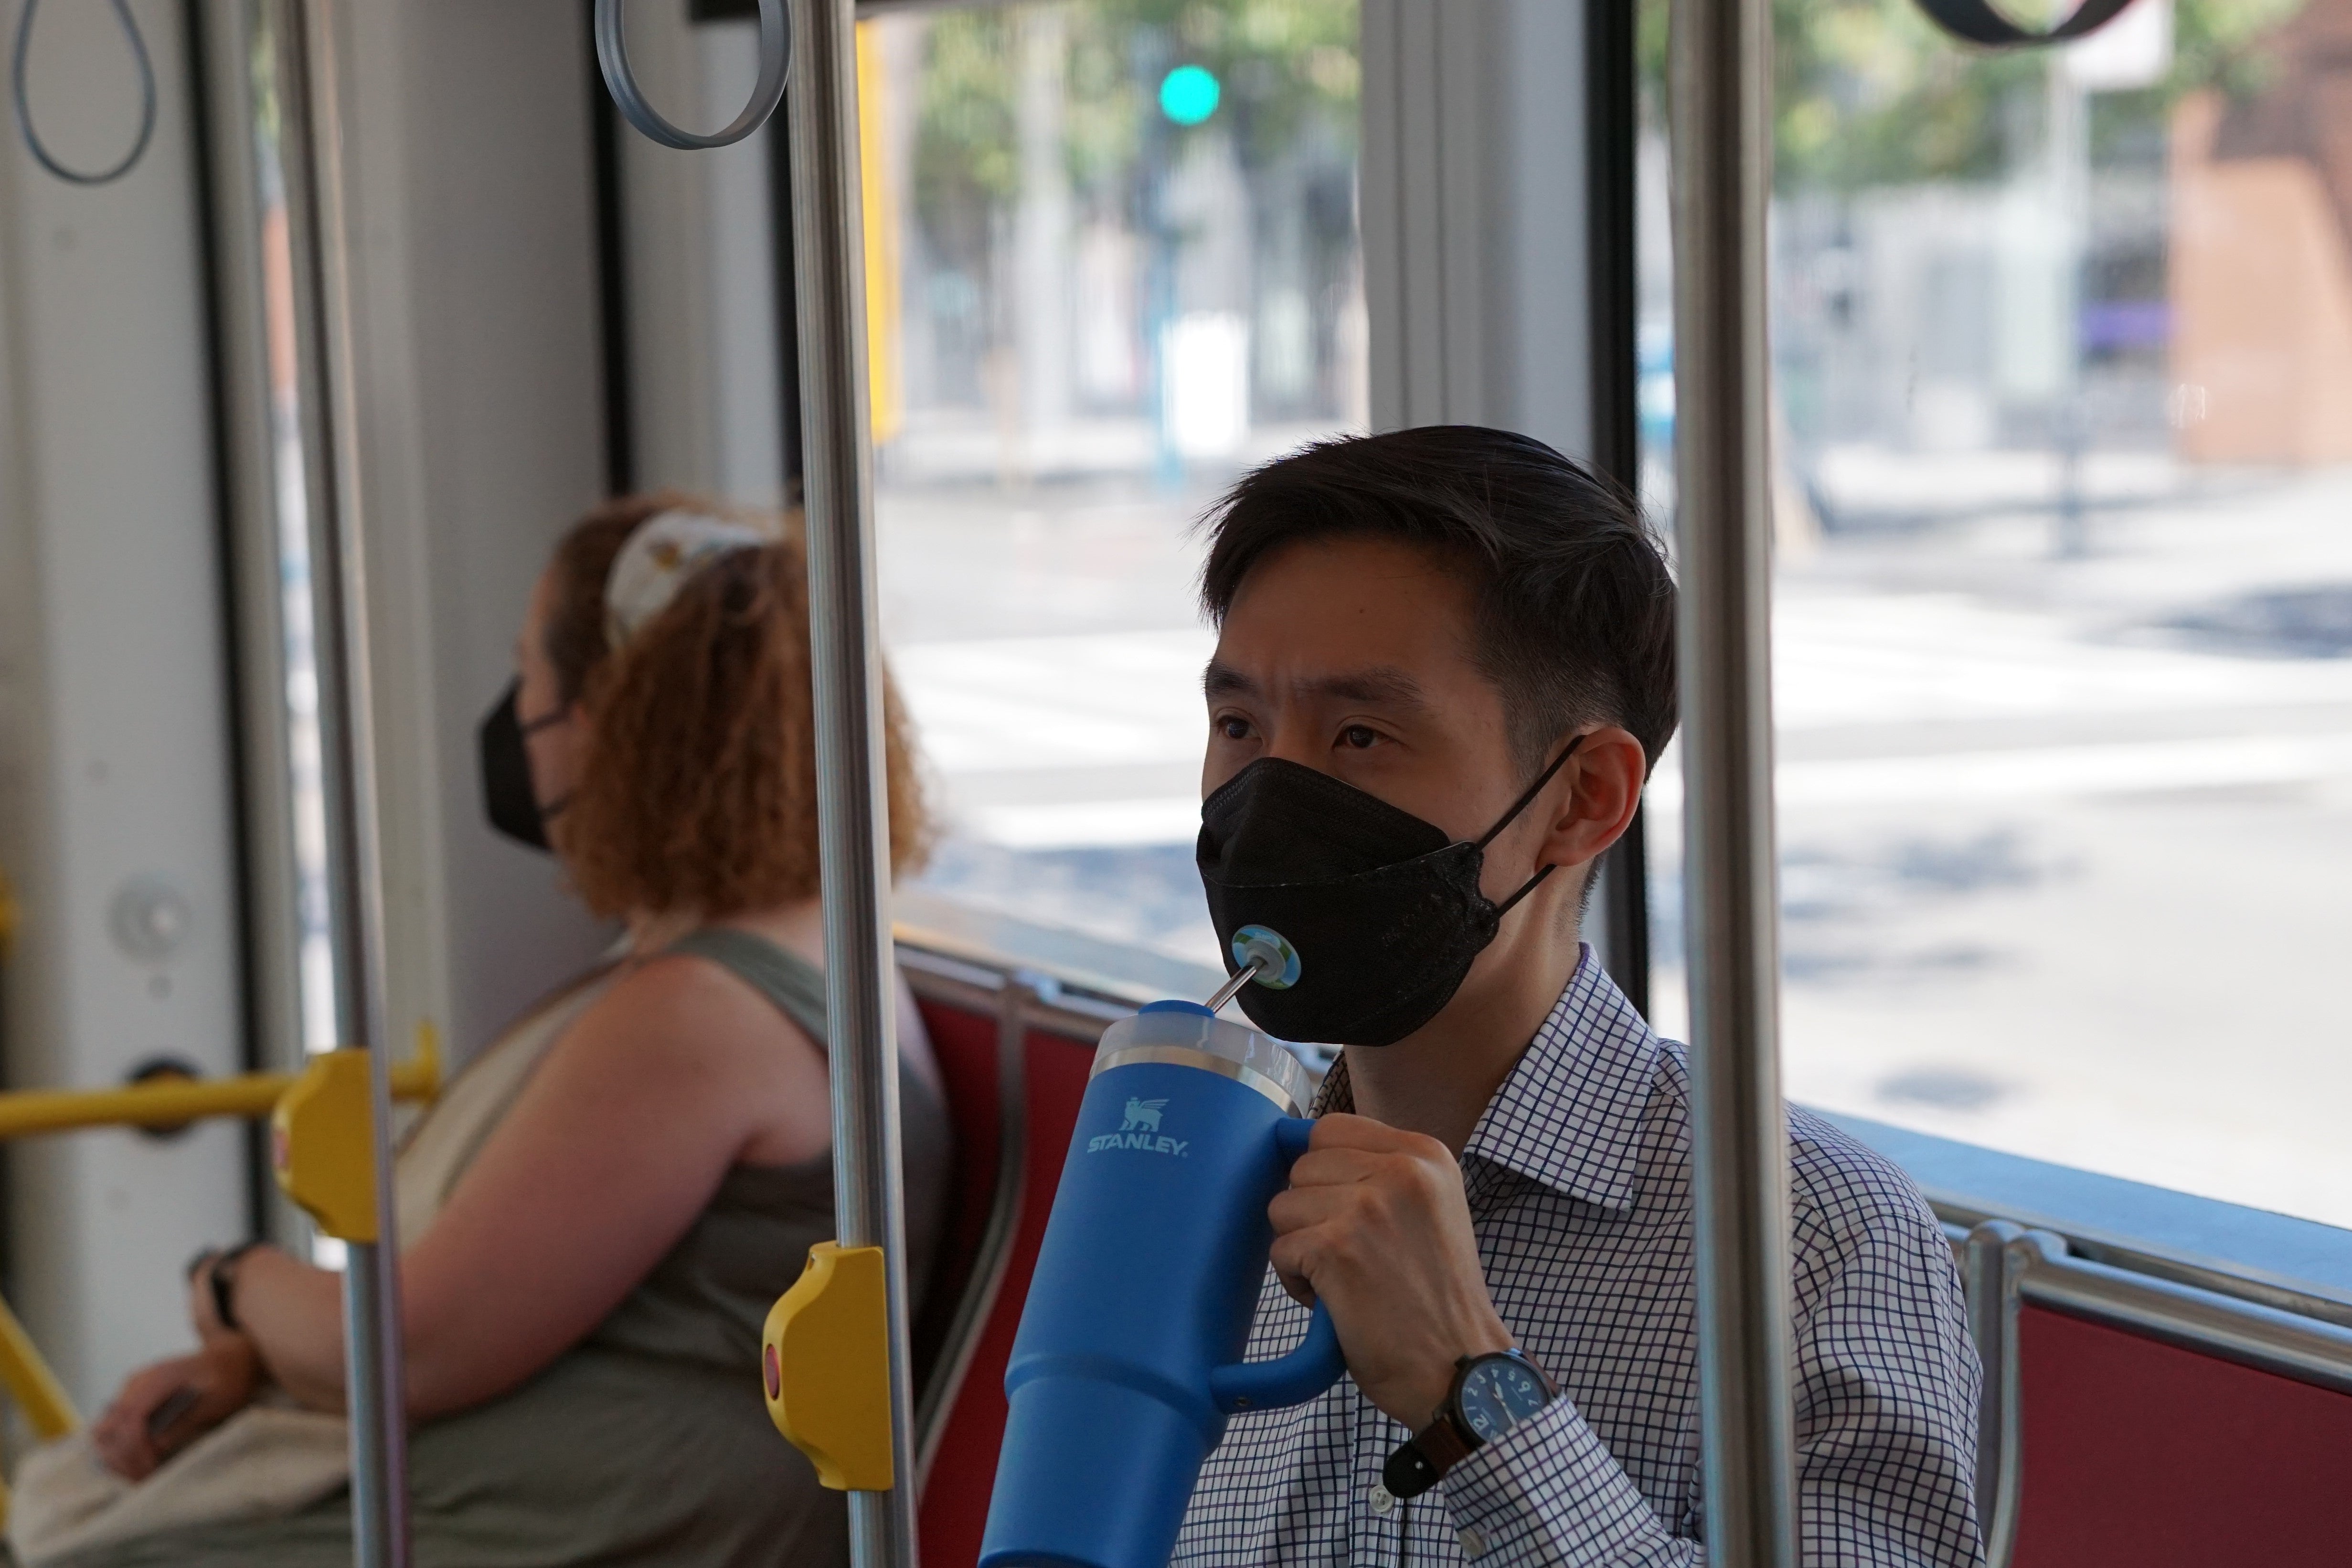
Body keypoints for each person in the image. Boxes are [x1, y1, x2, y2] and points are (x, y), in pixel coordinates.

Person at [16, 495, 949, 1568]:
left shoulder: (699, 1016)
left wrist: (228, 1282)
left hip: (629, 1512)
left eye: (531, 682)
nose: (517, 723)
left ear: (604, 720)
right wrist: (249, 1361)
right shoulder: (796, 950)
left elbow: (405, 1351)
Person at [1174, 427, 1981, 1566]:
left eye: (1361, 735)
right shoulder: (1196, 1194)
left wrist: (1472, 1398)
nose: (1269, 800)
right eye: (1239, 727)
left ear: (1581, 799)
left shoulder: (1809, 1249)